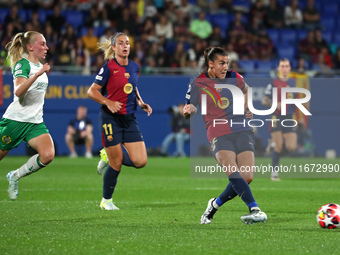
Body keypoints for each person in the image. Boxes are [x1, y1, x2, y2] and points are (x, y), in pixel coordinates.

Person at [183, 47, 267, 225]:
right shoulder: (198, 83)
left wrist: (247, 106)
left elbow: (247, 90)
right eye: (221, 63)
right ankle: (254, 209)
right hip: (218, 131)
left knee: (247, 177)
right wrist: (189, 110)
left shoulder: (234, 77)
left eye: (227, 63)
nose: (225, 67)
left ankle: (214, 204)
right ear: (210, 64)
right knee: (232, 171)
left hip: (241, 128)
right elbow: (192, 106)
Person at [87, 32, 152, 210]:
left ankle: (107, 154)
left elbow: (133, 86)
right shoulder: (108, 67)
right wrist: (107, 102)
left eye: (128, 43)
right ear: (114, 47)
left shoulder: (135, 67)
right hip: (111, 119)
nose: (125, 46)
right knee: (116, 163)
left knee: (140, 161)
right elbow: (92, 91)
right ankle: (106, 200)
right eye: (121, 43)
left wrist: (140, 102)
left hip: (129, 118)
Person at [0, 31, 54, 200]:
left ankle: (15, 176)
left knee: (48, 155)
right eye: (42, 44)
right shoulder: (22, 65)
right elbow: (18, 91)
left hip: (35, 122)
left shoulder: (40, 66)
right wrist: (38, 75)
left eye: (45, 44)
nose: (46, 47)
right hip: (15, 121)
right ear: (30, 47)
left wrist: (40, 72)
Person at [262, 58, 297, 181]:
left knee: (291, 146)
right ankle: (274, 173)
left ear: (289, 68)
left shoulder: (293, 82)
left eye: (286, 66)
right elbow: (264, 100)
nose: (284, 68)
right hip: (276, 116)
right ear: (278, 68)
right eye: (282, 66)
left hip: (288, 116)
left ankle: (272, 143)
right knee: (279, 146)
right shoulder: (273, 83)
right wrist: (275, 104)